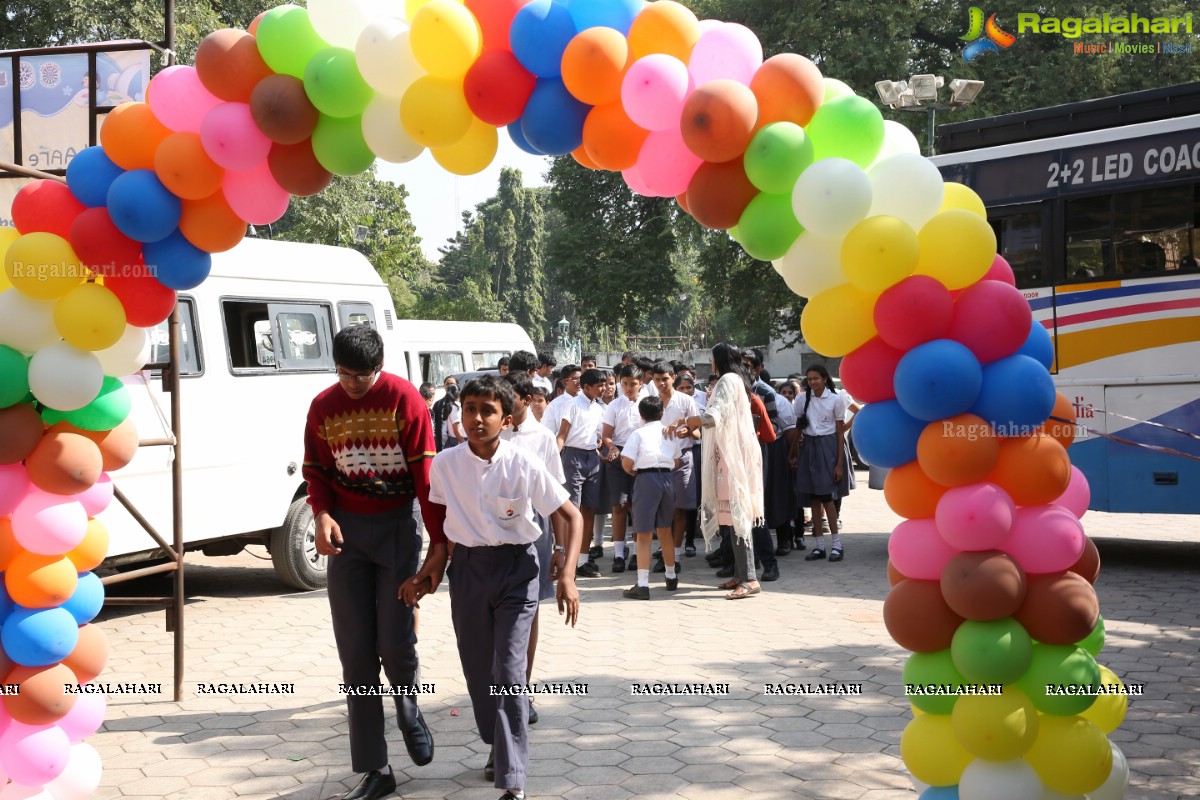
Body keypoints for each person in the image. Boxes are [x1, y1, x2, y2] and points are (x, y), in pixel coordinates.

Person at [406, 376, 583, 800]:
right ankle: (498, 742)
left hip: (517, 571)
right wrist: (431, 568)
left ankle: (512, 781)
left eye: (488, 411)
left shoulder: (523, 463)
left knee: (508, 671)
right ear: (460, 414)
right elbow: (444, 532)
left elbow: (572, 516)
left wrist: (568, 575)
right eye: (470, 410)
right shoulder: (445, 465)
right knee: (478, 671)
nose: (477, 418)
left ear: (506, 419)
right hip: (467, 573)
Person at [304, 325, 444, 800]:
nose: (352, 384)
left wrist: (437, 548)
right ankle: (375, 768)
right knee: (356, 654)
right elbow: (317, 471)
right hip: (346, 535)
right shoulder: (323, 407)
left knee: (394, 638)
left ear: (379, 368)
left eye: (362, 376)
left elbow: (427, 480)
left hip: (398, 529)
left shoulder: (406, 400)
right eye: (344, 374)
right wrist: (321, 514)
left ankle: (407, 701)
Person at [501, 373, 567, 727]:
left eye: (507, 397)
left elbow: (557, 499)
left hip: (534, 534)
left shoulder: (542, 438)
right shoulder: (490, 432)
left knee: (529, 611)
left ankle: (522, 688)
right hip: (492, 534)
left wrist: (559, 548)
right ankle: (500, 688)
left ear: (526, 399)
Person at [686, 342, 763, 600]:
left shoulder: (728, 380)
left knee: (739, 517)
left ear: (718, 360)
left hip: (732, 457)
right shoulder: (735, 380)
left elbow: (713, 418)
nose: (711, 363)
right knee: (731, 518)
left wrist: (688, 422)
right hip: (728, 456)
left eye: (712, 359)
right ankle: (741, 575)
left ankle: (750, 578)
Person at [620, 396, 682, 599]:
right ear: (662, 413)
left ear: (641, 415)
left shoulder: (638, 434)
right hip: (667, 477)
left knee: (644, 533)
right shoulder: (669, 433)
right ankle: (671, 575)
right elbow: (677, 460)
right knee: (665, 530)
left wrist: (635, 473)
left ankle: (643, 584)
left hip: (646, 478)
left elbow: (627, 463)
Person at [789, 364, 850, 563]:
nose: (812, 382)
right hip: (809, 448)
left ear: (825, 378)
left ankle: (837, 544)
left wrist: (839, 463)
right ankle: (820, 546)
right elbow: (799, 428)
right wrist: (793, 452)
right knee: (813, 498)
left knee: (826, 497)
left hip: (828, 447)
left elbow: (840, 432)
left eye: (816, 378)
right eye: (809, 379)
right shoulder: (801, 399)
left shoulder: (835, 399)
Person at [556, 368, 606, 578]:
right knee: (573, 510)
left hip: (592, 458)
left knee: (589, 509)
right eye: (599, 386)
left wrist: (600, 442)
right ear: (586, 387)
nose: (603, 389)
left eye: (604, 384)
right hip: (573, 457)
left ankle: (583, 559)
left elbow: (598, 434)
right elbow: (562, 434)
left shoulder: (599, 408)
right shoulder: (572, 405)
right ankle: (570, 562)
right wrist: (553, 460)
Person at [651, 361, 699, 575]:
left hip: (683, 460)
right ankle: (664, 552)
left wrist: (687, 431)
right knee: (662, 511)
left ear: (672, 377)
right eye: (657, 379)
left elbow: (698, 433)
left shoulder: (686, 401)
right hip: (658, 462)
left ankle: (675, 556)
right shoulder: (649, 402)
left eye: (665, 379)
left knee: (679, 510)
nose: (661, 383)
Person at [601, 364, 644, 572]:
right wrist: (612, 447)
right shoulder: (614, 406)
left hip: (640, 459)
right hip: (618, 459)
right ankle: (618, 554)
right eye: (625, 384)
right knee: (619, 506)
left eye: (633, 384)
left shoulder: (646, 404)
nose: (628, 388)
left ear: (640, 384)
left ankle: (637, 553)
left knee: (637, 507)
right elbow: (606, 435)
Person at [431, 376, 459, 451]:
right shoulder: (438, 404)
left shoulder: (461, 403)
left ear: (457, 386)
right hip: (442, 444)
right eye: (447, 384)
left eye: (452, 384)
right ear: (444, 386)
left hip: (458, 442)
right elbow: (434, 423)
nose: (449, 386)